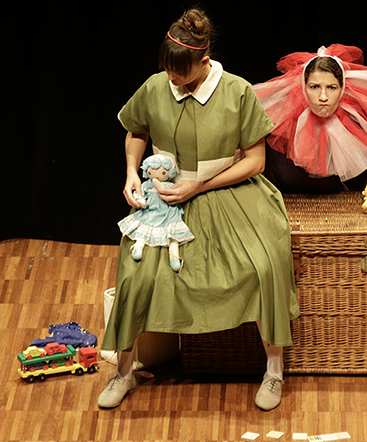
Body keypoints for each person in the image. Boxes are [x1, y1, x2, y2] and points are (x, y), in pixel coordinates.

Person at [99, 8, 299, 411]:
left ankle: (274, 371)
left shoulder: (237, 91)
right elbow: (136, 130)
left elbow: (255, 162)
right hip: (167, 199)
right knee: (136, 274)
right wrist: (130, 174)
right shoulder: (156, 87)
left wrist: (201, 185)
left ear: (204, 61)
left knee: (265, 264)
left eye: (181, 72)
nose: (173, 79)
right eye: (168, 71)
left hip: (229, 192)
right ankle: (122, 372)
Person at [254, 45, 367, 203]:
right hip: (281, 214)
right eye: (315, 87)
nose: (323, 96)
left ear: (343, 90)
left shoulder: (343, 130)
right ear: (303, 88)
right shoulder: (279, 128)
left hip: (331, 216)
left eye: (331, 87)